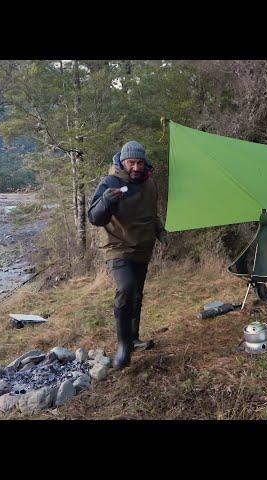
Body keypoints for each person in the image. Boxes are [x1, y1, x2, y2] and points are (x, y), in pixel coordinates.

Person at [88, 140, 168, 369]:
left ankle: (133, 338)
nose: (136, 167)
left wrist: (161, 232)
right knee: (126, 288)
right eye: (131, 162)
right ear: (123, 162)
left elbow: (152, 213)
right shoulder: (111, 182)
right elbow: (94, 218)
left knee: (137, 293)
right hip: (117, 246)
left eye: (140, 162)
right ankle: (123, 346)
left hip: (143, 247)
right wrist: (105, 201)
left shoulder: (149, 183)